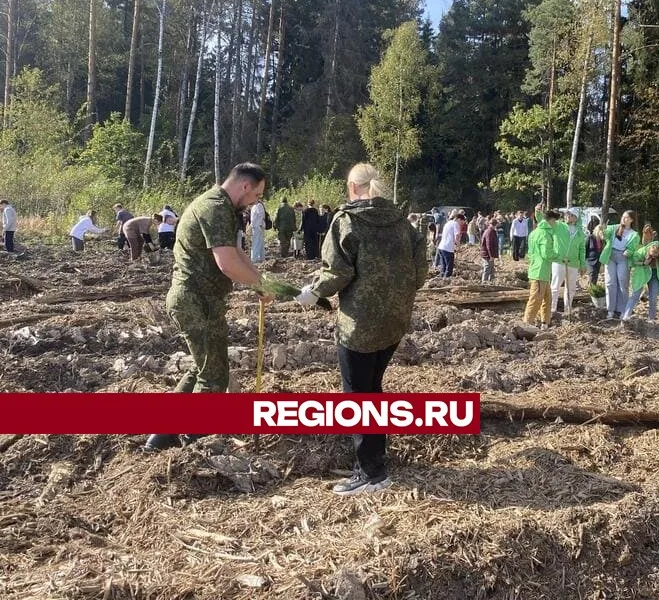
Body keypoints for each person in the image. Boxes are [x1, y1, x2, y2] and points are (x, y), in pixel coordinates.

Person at [296, 163, 427, 495]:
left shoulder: (347, 221)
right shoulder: (402, 223)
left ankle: (371, 473)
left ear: (353, 187)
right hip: (394, 322)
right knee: (373, 390)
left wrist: (313, 293)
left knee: (357, 397)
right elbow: (420, 271)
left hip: (359, 326)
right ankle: (375, 457)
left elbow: (337, 272)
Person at [144, 162, 276, 453]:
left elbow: (237, 253)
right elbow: (227, 264)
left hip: (204, 301)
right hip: (194, 301)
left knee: (201, 368)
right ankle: (196, 445)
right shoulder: (215, 207)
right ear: (244, 186)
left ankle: (160, 437)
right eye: (257, 195)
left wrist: (260, 280)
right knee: (214, 378)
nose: (257, 201)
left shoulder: (225, 208)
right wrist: (259, 285)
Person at [540, 206, 586, 318]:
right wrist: (538, 212)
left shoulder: (580, 232)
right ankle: (551, 309)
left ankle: (568, 310)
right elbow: (544, 222)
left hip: (573, 263)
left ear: (576, 218)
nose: (567, 216)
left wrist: (583, 265)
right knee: (555, 286)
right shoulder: (559, 226)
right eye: (566, 214)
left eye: (570, 215)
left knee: (571, 288)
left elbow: (582, 250)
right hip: (559, 261)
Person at [623, 224, 659, 322]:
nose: (654, 257)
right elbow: (632, 262)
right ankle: (626, 315)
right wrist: (643, 263)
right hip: (642, 274)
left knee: (653, 297)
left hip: (654, 276)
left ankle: (651, 318)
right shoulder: (642, 251)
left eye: (656, 255)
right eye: (652, 255)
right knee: (635, 295)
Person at [599, 211, 639, 320]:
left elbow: (633, 247)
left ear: (631, 220)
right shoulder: (614, 228)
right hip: (611, 256)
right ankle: (610, 309)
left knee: (623, 283)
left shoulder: (634, 234)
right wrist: (602, 231)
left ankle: (623, 310)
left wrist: (629, 252)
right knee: (610, 283)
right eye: (623, 217)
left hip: (623, 258)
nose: (624, 219)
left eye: (626, 218)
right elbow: (604, 234)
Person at [523, 210, 560, 327]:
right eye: (555, 221)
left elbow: (530, 252)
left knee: (547, 299)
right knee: (535, 300)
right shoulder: (545, 234)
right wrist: (558, 255)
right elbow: (547, 254)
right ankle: (526, 324)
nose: (556, 224)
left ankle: (545, 322)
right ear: (551, 220)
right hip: (540, 271)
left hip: (538, 270)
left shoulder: (534, 233)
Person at [437, 210, 460, 278]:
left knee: (443, 267)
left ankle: (441, 280)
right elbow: (457, 235)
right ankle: (446, 281)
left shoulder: (447, 223)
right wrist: (457, 244)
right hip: (448, 248)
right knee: (449, 268)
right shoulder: (455, 224)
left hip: (441, 247)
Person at [479, 216, 499, 283]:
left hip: (489, 254)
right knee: (487, 268)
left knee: (491, 269)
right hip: (487, 254)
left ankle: (491, 282)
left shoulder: (492, 231)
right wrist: (491, 256)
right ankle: (484, 282)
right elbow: (488, 245)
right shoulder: (489, 232)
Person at [585, 217, 604, 286]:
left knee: (595, 276)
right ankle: (591, 290)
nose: (601, 232)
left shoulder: (601, 240)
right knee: (592, 274)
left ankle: (592, 288)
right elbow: (585, 249)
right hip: (590, 260)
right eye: (600, 231)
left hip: (598, 260)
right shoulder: (590, 237)